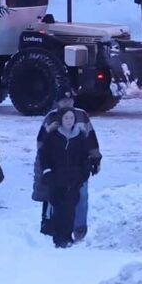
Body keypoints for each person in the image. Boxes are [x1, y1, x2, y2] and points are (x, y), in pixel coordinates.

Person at [35, 97, 100, 248]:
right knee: (57, 203)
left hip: (75, 175)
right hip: (56, 173)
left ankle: (78, 231)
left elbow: (90, 140)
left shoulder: (81, 119)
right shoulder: (51, 120)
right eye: (64, 100)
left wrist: (94, 161)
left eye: (69, 99)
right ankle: (54, 232)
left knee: (77, 200)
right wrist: (46, 170)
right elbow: (42, 147)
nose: (67, 103)